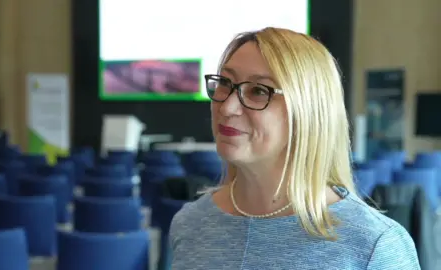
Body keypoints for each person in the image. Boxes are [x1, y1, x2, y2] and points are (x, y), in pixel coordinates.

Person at [169, 27, 420, 269]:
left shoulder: (374, 245)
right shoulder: (190, 223)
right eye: (225, 82)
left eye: (258, 90)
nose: (227, 107)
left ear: (307, 111)